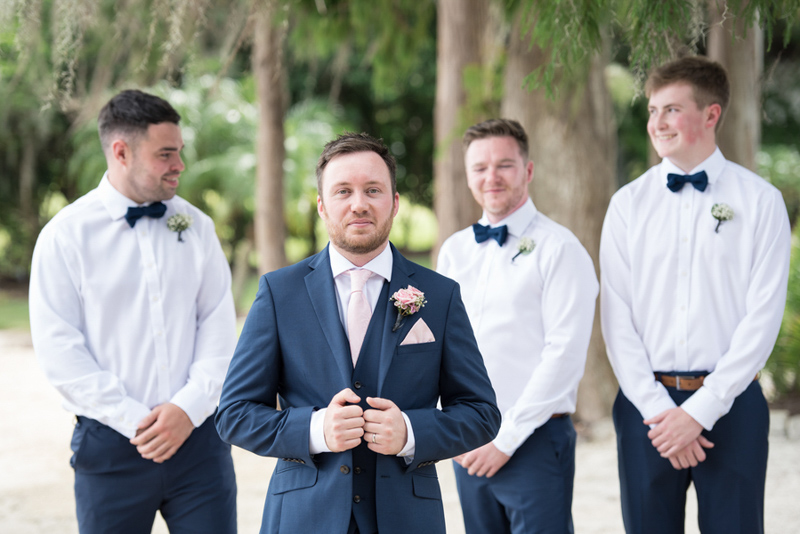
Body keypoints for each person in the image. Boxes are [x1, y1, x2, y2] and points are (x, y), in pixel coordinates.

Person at [215, 132, 501, 534]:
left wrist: (411, 433)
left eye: (373, 190)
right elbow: (234, 415)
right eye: (343, 191)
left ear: (395, 202)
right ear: (321, 206)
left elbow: (481, 413)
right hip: (304, 518)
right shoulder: (279, 293)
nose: (359, 204)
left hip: (407, 519)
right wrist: (315, 430)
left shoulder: (440, 295)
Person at [29, 89, 238, 534]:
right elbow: (60, 350)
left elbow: (218, 325)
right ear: (121, 152)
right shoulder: (64, 236)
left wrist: (188, 407)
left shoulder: (198, 227)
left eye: (179, 152)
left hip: (199, 443)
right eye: (165, 154)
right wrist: (134, 421)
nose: (179, 165)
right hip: (110, 448)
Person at [600, 55, 791, 534]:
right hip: (647, 409)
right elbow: (616, 317)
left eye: (671, 110)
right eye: (652, 110)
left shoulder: (760, 201)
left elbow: (762, 317)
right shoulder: (627, 205)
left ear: (711, 115)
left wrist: (703, 410)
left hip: (734, 404)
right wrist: (662, 412)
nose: (656, 123)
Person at [437, 118, 598, 533]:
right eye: (480, 168)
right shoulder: (455, 251)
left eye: (504, 165)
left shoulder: (560, 249)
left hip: (534, 440)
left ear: (527, 171)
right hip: (470, 440)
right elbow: (444, 345)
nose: (491, 177)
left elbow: (563, 355)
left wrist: (505, 439)